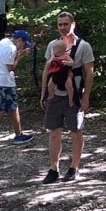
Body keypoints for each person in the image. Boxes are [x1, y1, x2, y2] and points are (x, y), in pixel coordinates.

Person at [40, 12, 95, 183]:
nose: (63, 27)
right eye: (59, 24)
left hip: (74, 95)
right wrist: (43, 93)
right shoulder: (52, 45)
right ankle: (53, 168)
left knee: (76, 131)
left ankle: (74, 167)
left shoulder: (83, 46)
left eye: (66, 24)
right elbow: (46, 70)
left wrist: (86, 97)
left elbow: (89, 72)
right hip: (55, 94)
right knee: (54, 131)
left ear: (73, 24)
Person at [0, 30, 35, 149]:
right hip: (6, 82)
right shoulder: (12, 49)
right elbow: (10, 68)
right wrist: (19, 57)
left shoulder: (4, 42)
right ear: (19, 40)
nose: (23, 46)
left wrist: (20, 53)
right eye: (23, 44)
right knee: (4, 109)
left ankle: (17, 134)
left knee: (9, 108)